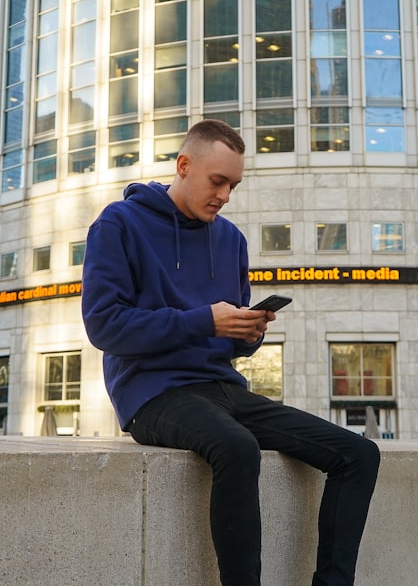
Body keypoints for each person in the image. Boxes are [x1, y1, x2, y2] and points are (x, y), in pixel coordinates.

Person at [81, 119, 380, 586]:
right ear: (183, 166)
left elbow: (232, 345)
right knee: (237, 448)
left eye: (233, 185)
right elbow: (104, 325)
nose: (224, 195)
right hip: (150, 393)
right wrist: (205, 319)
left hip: (221, 387)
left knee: (359, 454)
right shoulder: (119, 224)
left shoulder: (231, 240)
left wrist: (247, 332)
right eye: (217, 181)